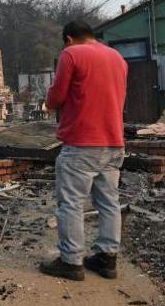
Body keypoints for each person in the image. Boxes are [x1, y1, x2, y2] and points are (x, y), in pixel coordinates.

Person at [38, 20, 128, 281]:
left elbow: (55, 100)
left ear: (68, 38)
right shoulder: (117, 58)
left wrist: (49, 97)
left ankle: (71, 261)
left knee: (71, 204)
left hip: (82, 144)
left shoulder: (72, 54)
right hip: (113, 142)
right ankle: (106, 258)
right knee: (109, 202)